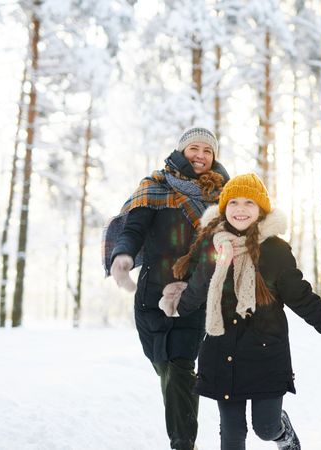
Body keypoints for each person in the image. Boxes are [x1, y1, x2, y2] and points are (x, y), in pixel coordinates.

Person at [159, 173, 321, 450]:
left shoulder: (275, 250)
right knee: (232, 434)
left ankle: (283, 431)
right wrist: (176, 308)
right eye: (233, 203)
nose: (240, 209)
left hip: (265, 351)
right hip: (222, 351)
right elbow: (199, 286)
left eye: (249, 203)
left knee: (265, 427)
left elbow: (299, 295)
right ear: (224, 208)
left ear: (261, 210)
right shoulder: (213, 245)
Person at [102, 127, 230, 450]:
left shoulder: (222, 196)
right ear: (181, 151)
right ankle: (182, 435)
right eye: (194, 149)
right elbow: (133, 229)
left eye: (208, 151)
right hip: (151, 296)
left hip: (193, 296)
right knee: (166, 369)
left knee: (181, 367)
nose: (201, 156)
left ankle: (183, 443)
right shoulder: (154, 187)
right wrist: (123, 255)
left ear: (214, 157)